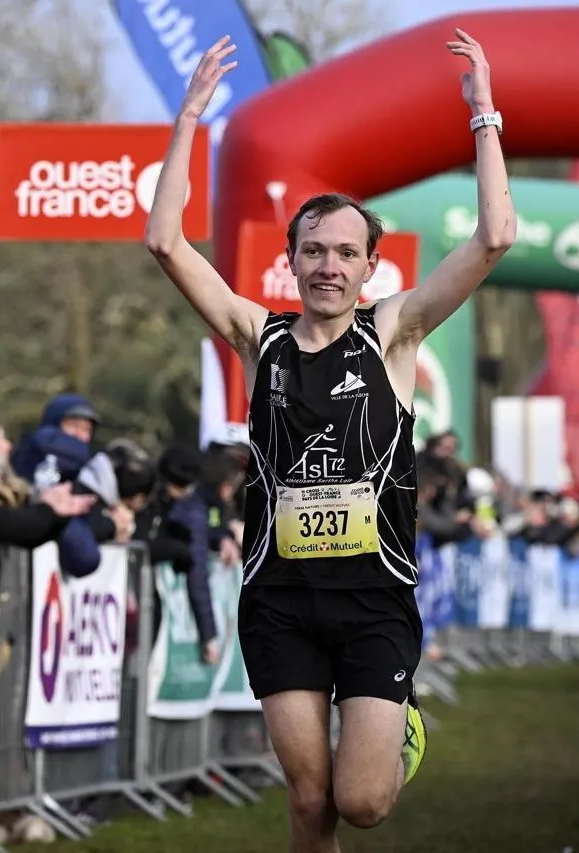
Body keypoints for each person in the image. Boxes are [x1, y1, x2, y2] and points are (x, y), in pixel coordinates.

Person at [145, 27, 515, 848]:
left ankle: (397, 728)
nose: (328, 266)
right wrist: (189, 120)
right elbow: (165, 242)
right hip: (279, 597)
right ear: (291, 260)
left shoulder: (394, 334)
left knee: (362, 800)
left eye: (346, 253)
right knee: (309, 800)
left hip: (372, 597)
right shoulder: (259, 337)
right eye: (313, 251)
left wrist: (483, 113)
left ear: (369, 268)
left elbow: (494, 238)